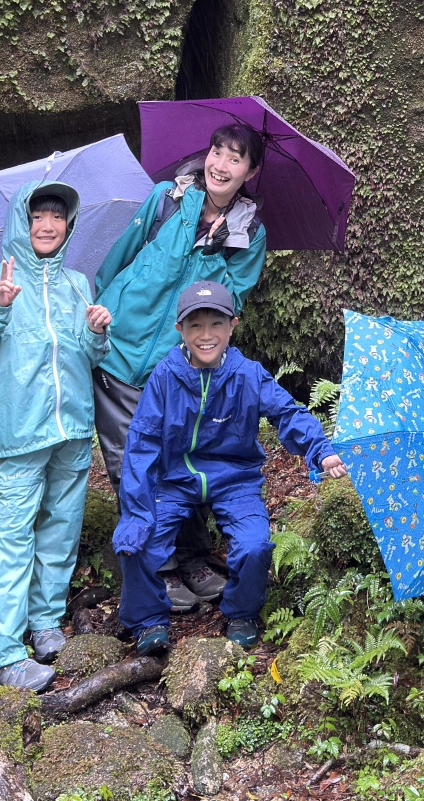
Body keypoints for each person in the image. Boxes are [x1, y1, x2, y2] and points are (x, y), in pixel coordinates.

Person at [88, 121, 267, 610]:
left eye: (236, 157)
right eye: (217, 151)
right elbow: (120, 257)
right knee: (132, 462)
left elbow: (230, 301)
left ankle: (191, 556)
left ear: (249, 170)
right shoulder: (168, 198)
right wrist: (102, 314)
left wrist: (213, 244)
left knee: (181, 457)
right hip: (122, 353)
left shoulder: (249, 232)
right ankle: (156, 568)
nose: (221, 164)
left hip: (178, 366)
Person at [113, 279, 345, 651]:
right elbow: (141, 446)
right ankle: (147, 621)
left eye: (216, 324)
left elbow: (287, 411)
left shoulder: (247, 374)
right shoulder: (165, 377)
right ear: (180, 330)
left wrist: (320, 449)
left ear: (233, 325)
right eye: (195, 325)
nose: (206, 335)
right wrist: (136, 514)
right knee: (136, 542)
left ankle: (242, 612)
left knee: (254, 546)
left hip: (234, 479)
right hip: (174, 480)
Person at [0, 181, 111, 693]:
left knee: (61, 532)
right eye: (38, 215)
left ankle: (45, 624)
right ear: (22, 221)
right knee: (12, 538)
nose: (47, 225)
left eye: (57, 217)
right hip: (19, 430)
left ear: (69, 225)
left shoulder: (79, 284)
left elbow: (91, 357)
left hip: (73, 429)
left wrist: (98, 331)